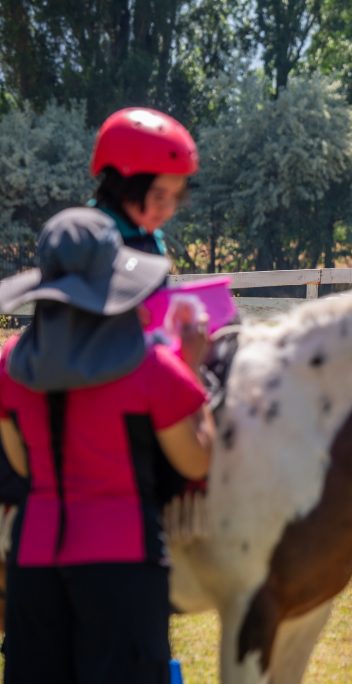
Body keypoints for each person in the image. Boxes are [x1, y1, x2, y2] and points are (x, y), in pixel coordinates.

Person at [0, 107, 214, 683]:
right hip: (120, 550)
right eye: (159, 195)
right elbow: (199, 455)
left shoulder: (9, 366)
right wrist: (186, 371)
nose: (167, 207)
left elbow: (22, 455)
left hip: (40, 547)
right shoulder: (151, 366)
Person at [90, 107, 198, 256]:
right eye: (158, 197)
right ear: (122, 187)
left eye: (176, 196)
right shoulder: (86, 241)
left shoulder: (145, 237)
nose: (168, 210)